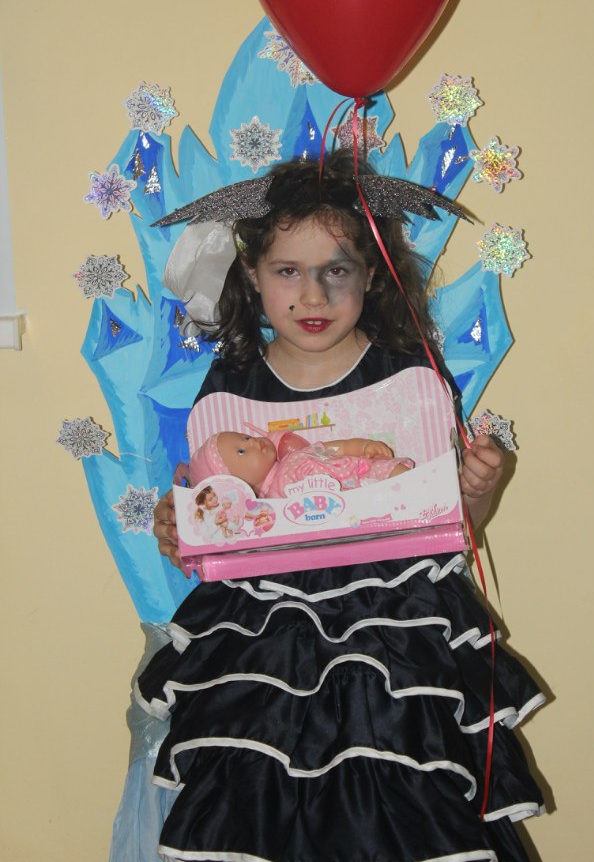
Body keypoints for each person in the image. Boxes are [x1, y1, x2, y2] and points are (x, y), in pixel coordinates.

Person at [135, 151, 546, 862]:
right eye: (287, 271)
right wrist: (180, 527)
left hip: (394, 634)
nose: (313, 295)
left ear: (372, 275)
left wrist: (476, 491)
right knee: (265, 799)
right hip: (263, 636)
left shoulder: (404, 377)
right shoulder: (231, 385)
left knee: (400, 793)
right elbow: (211, 520)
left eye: (337, 270)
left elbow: (447, 530)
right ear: (251, 275)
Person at [189, 428, 414, 497]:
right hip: (350, 510)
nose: (253, 442)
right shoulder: (273, 505)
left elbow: (337, 447)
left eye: (246, 438)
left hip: (361, 473)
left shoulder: (294, 456)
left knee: (393, 471)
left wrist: (364, 446)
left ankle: (419, 494)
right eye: (241, 451)